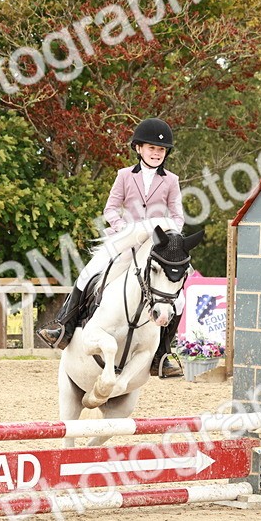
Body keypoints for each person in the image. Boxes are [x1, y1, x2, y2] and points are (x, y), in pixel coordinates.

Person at [38, 117, 187, 378]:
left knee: (180, 300)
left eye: (161, 150)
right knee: (88, 273)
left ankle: (162, 355)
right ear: (139, 148)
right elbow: (110, 209)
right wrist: (123, 229)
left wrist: (169, 236)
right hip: (125, 240)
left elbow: (177, 216)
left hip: (155, 246)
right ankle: (63, 326)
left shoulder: (171, 180)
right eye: (152, 148)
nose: (156, 153)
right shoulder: (124, 175)